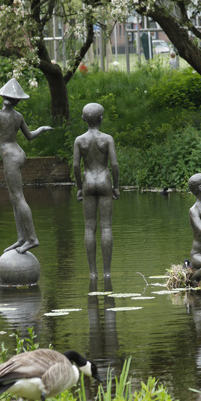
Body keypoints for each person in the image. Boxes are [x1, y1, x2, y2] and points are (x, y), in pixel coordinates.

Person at [0, 77, 52, 254]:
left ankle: (32, 239)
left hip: (10, 157)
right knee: (14, 198)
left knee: (18, 197)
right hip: (18, 154)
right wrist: (41, 129)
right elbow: (30, 136)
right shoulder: (18, 117)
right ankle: (21, 238)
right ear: (17, 100)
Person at [73, 103, 119, 279]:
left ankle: (93, 273)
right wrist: (116, 186)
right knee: (106, 227)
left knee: (89, 228)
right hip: (104, 181)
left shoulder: (80, 140)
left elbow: (76, 166)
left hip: (88, 182)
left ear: (84, 119)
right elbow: (114, 164)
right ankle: (107, 272)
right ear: (101, 118)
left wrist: (79, 187)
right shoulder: (107, 139)